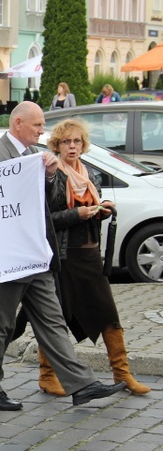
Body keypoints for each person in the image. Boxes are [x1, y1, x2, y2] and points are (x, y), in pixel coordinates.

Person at [0, 101, 127, 411]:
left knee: (53, 321)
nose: (42, 130)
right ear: (18, 123)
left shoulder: (33, 156)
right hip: (11, 257)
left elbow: (43, 203)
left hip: (37, 254)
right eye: (37, 125)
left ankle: (81, 384)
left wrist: (47, 176)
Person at [35, 119, 149, 396]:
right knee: (57, 317)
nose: (72, 146)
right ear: (57, 145)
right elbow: (47, 219)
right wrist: (78, 214)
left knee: (109, 314)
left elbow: (88, 207)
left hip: (89, 256)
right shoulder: (52, 174)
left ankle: (122, 374)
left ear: (83, 144)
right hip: (64, 258)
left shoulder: (88, 174)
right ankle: (47, 376)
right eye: (66, 142)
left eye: (76, 141)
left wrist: (101, 209)